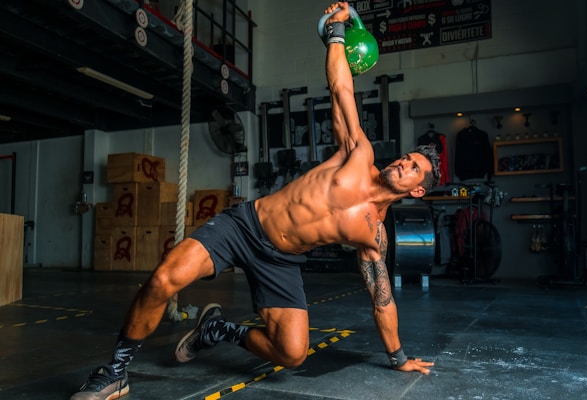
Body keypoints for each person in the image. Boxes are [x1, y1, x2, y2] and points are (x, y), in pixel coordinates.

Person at [70, 2, 439, 399]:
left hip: (281, 261)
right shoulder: (359, 154)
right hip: (244, 226)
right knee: (163, 279)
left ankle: (217, 330)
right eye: (407, 158)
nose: (403, 163)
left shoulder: (374, 235)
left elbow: (382, 300)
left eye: (413, 168)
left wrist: (398, 358)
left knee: (292, 353)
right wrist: (336, 31)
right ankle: (115, 372)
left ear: (417, 190)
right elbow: (341, 88)